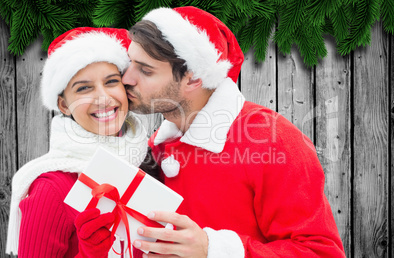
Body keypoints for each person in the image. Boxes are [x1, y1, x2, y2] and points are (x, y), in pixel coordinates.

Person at [119, 6, 346, 257]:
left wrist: (213, 250)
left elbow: (320, 251)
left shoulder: (272, 141)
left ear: (194, 80)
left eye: (145, 70)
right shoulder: (158, 145)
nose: (126, 78)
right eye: (130, 62)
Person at [6, 27, 152, 257]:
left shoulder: (147, 165)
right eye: (84, 88)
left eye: (111, 82)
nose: (103, 97)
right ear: (64, 106)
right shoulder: (52, 189)